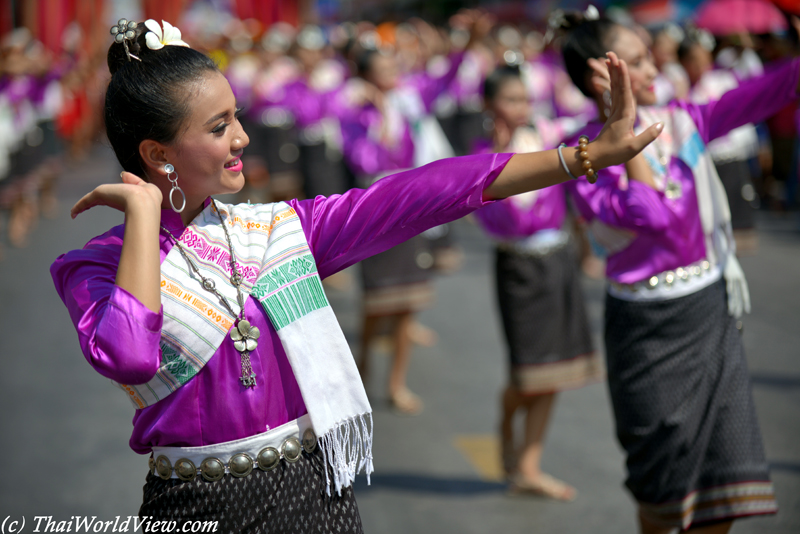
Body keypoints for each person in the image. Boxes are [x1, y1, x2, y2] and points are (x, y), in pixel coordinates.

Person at [50, 17, 658, 532]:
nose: (241, 137)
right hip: (195, 506)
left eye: (235, 116)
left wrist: (580, 158)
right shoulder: (93, 267)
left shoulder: (279, 230)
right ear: (157, 155)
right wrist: (144, 217)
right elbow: (130, 356)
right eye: (217, 128)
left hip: (316, 492)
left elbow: (427, 190)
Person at [557, 11, 798, 533]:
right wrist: (625, 128)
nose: (655, 66)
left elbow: (776, 90)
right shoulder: (583, 154)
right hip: (645, 329)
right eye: (639, 60)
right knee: (662, 496)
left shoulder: (685, 119)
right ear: (604, 75)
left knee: (723, 487)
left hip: (707, 312)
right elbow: (653, 215)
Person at [472, 66, 603, 500]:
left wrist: (585, 252)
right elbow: (491, 216)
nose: (522, 107)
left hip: (557, 260)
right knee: (528, 371)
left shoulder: (550, 137)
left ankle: (529, 465)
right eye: (511, 99)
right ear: (490, 105)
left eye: (525, 98)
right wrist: (499, 150)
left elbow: (578, 180)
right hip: (517, 268)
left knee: (555, 370)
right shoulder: (482, 155)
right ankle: (507, 419)